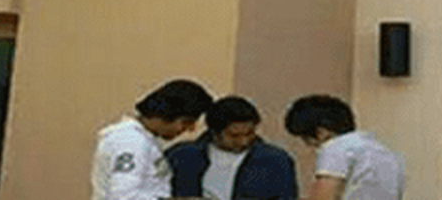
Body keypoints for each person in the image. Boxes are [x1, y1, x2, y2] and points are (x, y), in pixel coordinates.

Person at [92, 78, 215, 200]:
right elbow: (124, 197)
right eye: (185, 122)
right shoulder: (130, 141)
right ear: (167, 113)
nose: (189, 129)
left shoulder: (146, 139)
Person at [166, 96, 299, 200]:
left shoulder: (276, 161)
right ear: (215, 133)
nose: (243, 141)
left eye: (249, 133)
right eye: (234, 136)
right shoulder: (181, 157)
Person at [284, 95, 405, 200]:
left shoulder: (336, 148)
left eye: (306, 139)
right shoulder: (383, 150)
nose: (309, 146)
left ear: (320, 132)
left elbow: (324, 196)